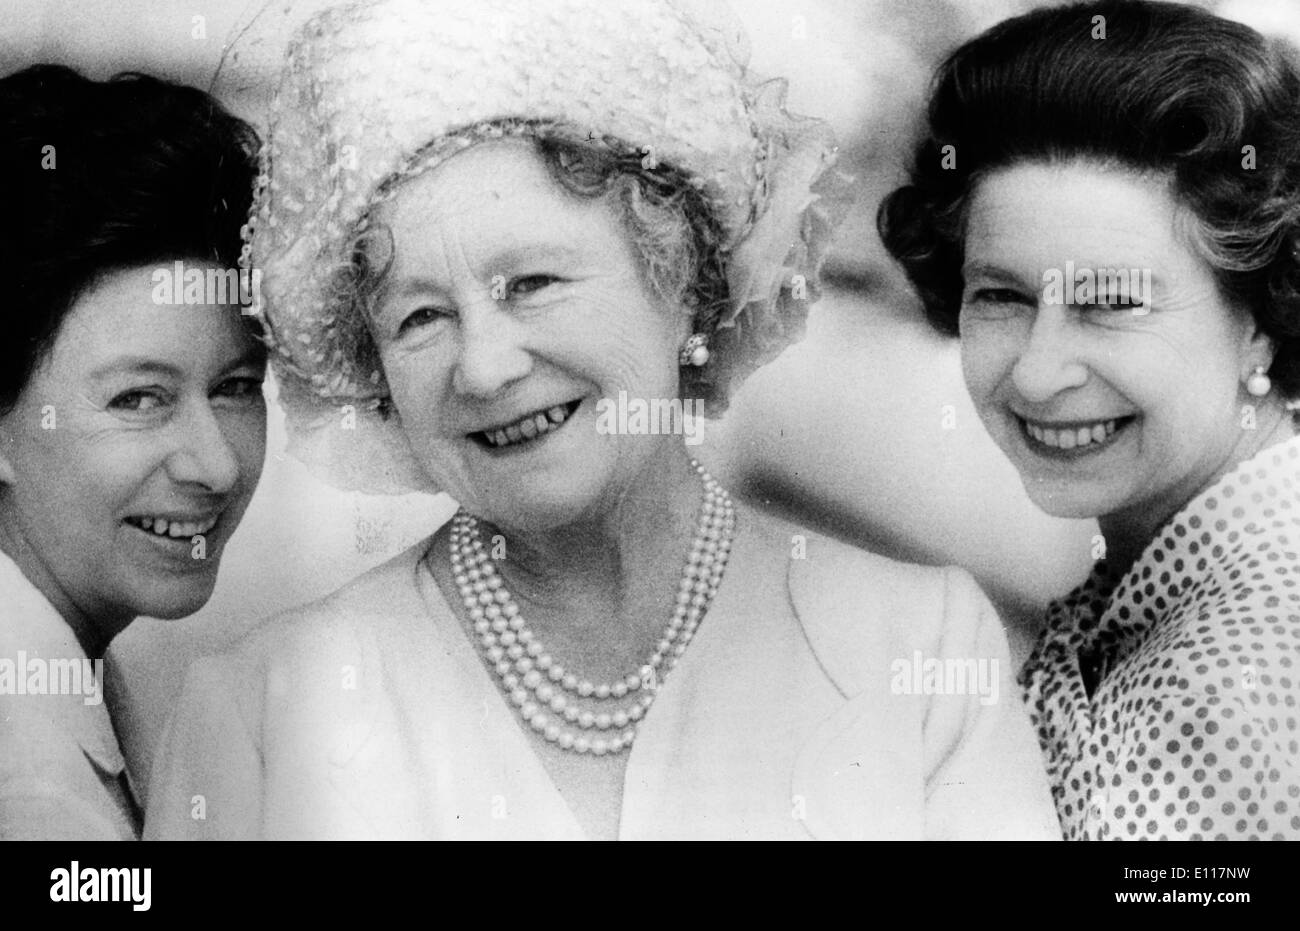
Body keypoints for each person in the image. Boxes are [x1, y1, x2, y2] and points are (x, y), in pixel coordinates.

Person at [143, 0, 1057, 841]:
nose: (485, 364)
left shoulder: (924, 650)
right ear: (377, 376)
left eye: (531, 284)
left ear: (684, 286)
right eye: (420, 318)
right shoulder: (260, 714)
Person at [879, 0, 1300, 840]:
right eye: (1001, 296)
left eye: (1111, 303)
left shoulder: (1238, 682)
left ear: (1260, 317)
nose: (1038, 370)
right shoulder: (1164, 582)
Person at [0, 65, 267, 840]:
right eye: (138, 399)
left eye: (237, 387)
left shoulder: (79, 671)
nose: (215, 466)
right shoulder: (30, 792)